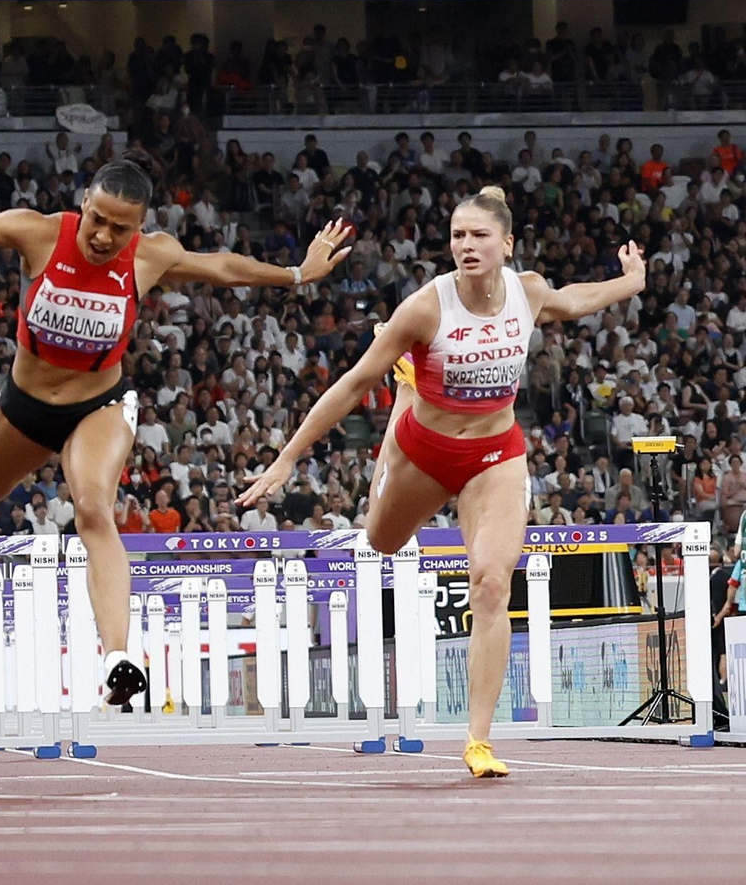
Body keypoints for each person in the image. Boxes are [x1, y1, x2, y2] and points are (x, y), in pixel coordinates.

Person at [0, 151, 353, 706]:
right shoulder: (38, 234)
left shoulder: (149, 257)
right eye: (97, 220)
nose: (104, 237)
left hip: (97, 407)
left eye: (119, 228)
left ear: (139, 226)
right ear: (84, 203)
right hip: (25, 407)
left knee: (92, 509)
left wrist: (298, 273)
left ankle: (118, 659)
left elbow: (224, 267)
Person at [239, 185, 645, 778]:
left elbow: (570, 300)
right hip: (422, 452)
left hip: (495, 455)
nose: (466, 245)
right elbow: (351, 385)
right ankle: (407, 393)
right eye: (458, 235)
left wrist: (629, 284)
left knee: (490, 585)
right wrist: (285, 460)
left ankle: (478, 740)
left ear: (507, 245)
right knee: (381, 542)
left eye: (479, 235)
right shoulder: (425, 308)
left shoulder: (525, 293)